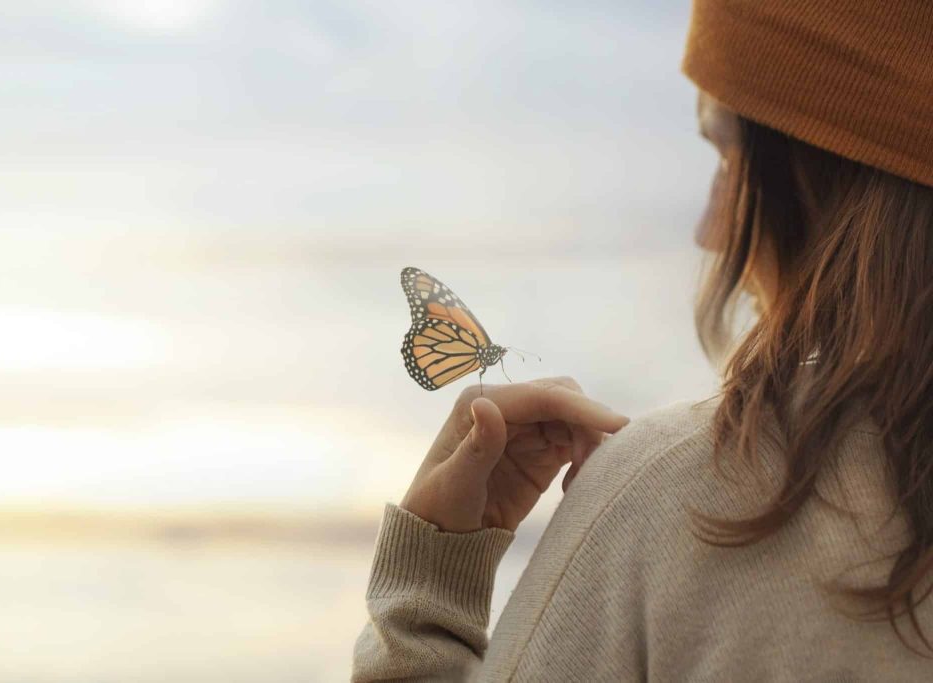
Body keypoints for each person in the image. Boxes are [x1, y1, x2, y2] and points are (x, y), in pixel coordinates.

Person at [352, 0, 933, 679]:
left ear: (824, 174)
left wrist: (425, 594)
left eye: (728, 157)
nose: (709, 232)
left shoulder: (686, 498)